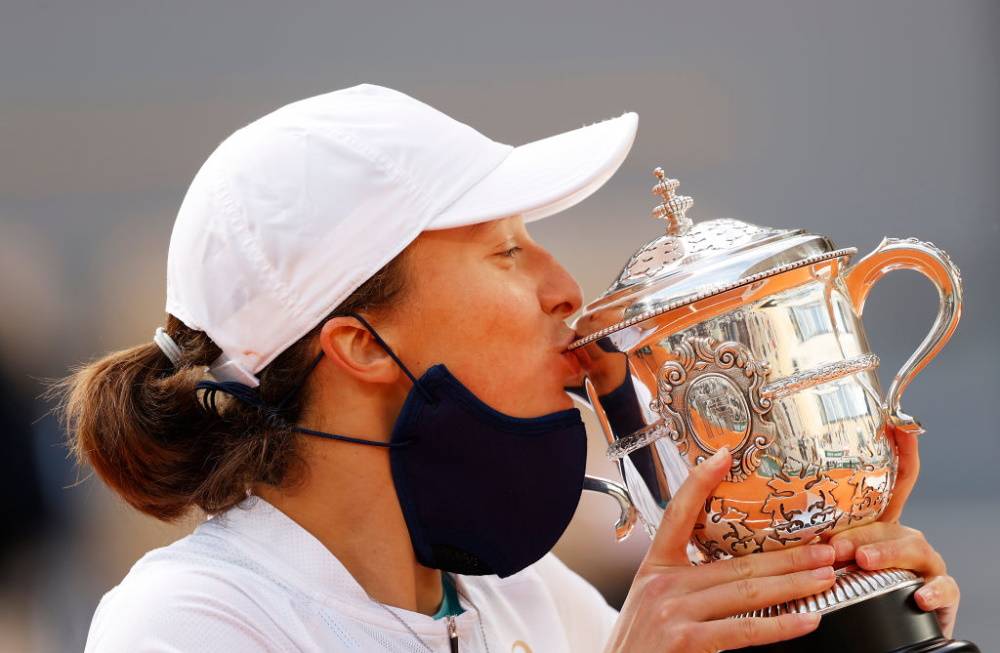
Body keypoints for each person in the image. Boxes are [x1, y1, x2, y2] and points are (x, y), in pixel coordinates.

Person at [51, 83, 960, 652]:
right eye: (506, 251)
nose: (568, 290)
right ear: (359, 342)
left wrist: (828, 603)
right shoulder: (187, 625)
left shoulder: (527, 597)